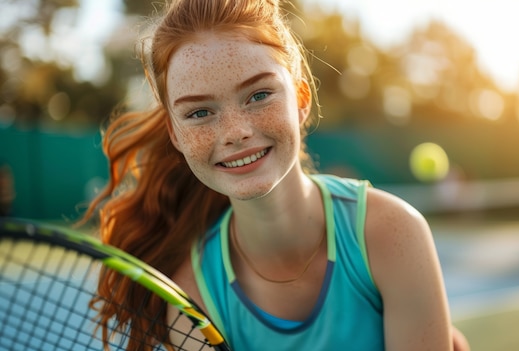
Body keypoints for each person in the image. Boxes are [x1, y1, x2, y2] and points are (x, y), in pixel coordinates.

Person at [82, 0, 470, 350]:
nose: (235, 132)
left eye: (258, 95)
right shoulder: (191, 297)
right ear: (175, 135)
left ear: (301, 99)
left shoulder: (392, 234)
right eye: (199, 113)